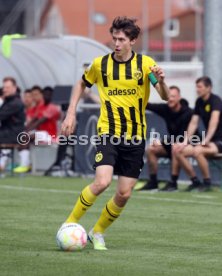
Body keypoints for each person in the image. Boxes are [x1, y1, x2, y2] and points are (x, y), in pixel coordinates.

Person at [61, 16, 169, 250]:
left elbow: (165, 95)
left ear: (133, 40)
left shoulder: (146, 65)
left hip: (136, 136)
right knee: (102, 182)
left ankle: (97, 232)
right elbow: (81, 84)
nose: (116, 43)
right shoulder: (100, 64)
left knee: (124, 193)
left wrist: (161, 81)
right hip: (108, 131)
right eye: (114, 38)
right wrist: (71, 113)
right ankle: (69, 223)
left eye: (121, 39)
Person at [137, 86, 194, 192]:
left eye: (173, 96)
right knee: (151, 149)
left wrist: (163, 142)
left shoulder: (187, 113)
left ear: (179, 98)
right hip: (174, 143)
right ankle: (153, 182)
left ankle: (173, 183)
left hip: (191, 142)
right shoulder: (166, 108)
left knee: (175, 147)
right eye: (168, 96)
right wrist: (136, 95)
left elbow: (180, 138)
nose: (170, 99)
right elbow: (148, 106)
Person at [174, 76, 222, 191]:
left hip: (219, 141)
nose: (197, 89)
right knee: (178, 150)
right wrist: (184, 142)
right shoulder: (199, 101)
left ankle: (207, 183)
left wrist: (206, 139)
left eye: (200, 87)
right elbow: (193, 123)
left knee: (198, 150)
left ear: (208, 88)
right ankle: (195, 181)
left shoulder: (215, 100)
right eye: (196, 87)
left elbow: (214, 121)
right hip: (210, 142)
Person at [0, 77, 25, 171]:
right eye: (4, 87)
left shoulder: (15, 103)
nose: (4, 89)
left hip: (12, 134)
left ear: (14, 88)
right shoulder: (8, 101)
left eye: (7, 87)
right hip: (6, 131)